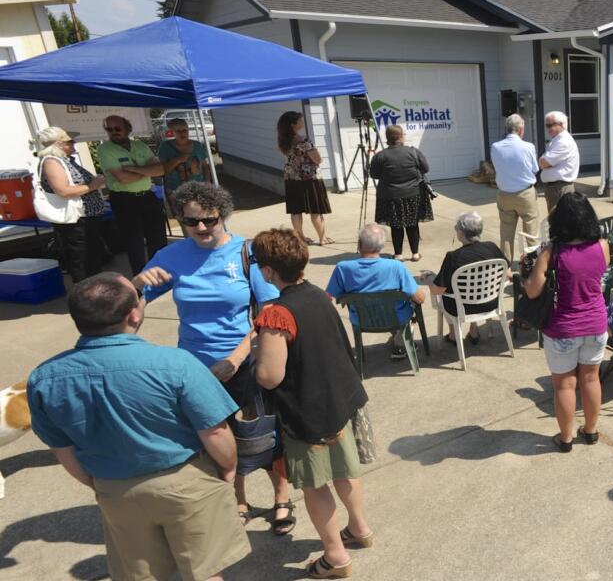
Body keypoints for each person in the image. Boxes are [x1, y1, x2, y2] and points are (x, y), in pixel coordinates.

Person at [27, 272, 251, 581]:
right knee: (206, 572)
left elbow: (63, 452)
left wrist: (101, 485)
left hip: (114, 488)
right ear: (134, 313)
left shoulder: (44, 379)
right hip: (187, 480)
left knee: (140, 575)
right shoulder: (176, 363)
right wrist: (228, 469)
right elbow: (215, 432)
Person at [132, 181, 294, 532]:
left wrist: (234, 360)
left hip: (244, 360)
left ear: (223, 215)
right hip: (193, 366)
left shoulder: (246, 253)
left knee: (261, 433)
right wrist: (136, 284)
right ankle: (237, 498)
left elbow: (268, 316)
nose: (201, 228)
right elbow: (130, 307)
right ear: (180, 222)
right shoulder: (170, 256)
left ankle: (282, 496)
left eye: (209, 219)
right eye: (191, 222)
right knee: (215, 438)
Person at [249, 229, 372, 579]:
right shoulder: (318, 294)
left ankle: (334, 556)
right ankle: (360, 529)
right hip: (340, 402)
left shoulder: (276, 315)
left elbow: (270, 376)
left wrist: (258, 358)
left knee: (315, 486)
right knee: (346, 472)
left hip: (307, 414)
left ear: (270, 271)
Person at [521, 193, 610, 453]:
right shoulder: (603, 245)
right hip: (595, 323)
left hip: (563, 328)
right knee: (591, 380)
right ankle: (591, 431)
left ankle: (566, 437)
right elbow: (599, 272)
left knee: (565, 384)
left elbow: (533, 291)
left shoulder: (552, 252)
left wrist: (527, 274)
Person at [327, 224, 428, 361]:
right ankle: (401, 337)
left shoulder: (342, 268)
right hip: (395, 317)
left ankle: (399, 338)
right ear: (381, 246)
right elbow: (420, 298)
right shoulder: (396, 267)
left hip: (361, 319)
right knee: (411, 301)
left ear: (359, 244)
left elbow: (328, 298)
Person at [33, 127, 108, 283]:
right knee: (81, 258)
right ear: (59, 144)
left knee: (91, 255)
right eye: (69, 141)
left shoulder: (64, 160)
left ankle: (93, 290)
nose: (74, 143)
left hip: (85, 216)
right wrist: (94, 184)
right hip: (75, 219)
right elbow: (64, 191)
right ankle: (85, 292)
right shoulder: (51, 162)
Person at [97, 114, 168, 274]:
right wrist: (146, 171)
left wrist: (134, 169)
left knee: (158, 237)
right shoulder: (105, 149)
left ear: (127, 128)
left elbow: (160, 170)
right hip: (124, 199)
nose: (113, 132)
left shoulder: (140, 146)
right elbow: (123, 179)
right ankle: (141, 280)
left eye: (117, 128)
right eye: (109, 129)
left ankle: (160, 273)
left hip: (147, 196)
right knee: (133, 242)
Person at [428, 212, 508, 344]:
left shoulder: (453, 257)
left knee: (447, 293)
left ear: (461, 233)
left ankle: (453, 335)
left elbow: (437, 290)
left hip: (463, 308)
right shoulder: (492, 247)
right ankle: (474, 329)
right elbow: (508, 274)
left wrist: (430, 278)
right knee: (473, 288)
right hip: (492, 302)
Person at [369, 124, 432, 262]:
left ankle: (398, 255)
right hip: (413, 194)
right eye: (403, 134)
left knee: (396, 225)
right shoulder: (413, 152)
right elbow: (425, 168)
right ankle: (415, 254)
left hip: (391, 196)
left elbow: (374, 174)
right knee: (412, 224)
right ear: (400, 136)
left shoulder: (380, 156)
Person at [276, 111, 333, 245]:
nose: (302, 122)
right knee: (315, 209)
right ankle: (322, 238)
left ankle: (300, 237)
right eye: (300, 121)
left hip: (291, 178)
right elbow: (318, 159)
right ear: (293, 124)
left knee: (296, 210)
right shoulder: (303, 141)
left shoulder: (284, 140)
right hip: (309, 179)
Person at [490, 113, 541, 259]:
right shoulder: (528, 146)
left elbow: (497, 166)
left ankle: (506, 267)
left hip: (504, 194)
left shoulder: (496, 147)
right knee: (531, 232)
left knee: (506, 233)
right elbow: (535, 169)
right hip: (525, 194)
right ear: (520, 130)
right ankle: (533, 264)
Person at [158, 117, 215, 236]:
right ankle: (190, 245)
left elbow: (205, 166)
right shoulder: (165, 147)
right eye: (178, 131)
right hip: (176, 190)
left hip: (198, 189)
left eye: (184, 130)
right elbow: (163, 170)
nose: (182, 133)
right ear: (172, 132)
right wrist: (178, 159)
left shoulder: (197, 145)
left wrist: (208, 183)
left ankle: (203, 243)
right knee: (185, 221)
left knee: (202, 217)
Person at [540, 111, 580, 214]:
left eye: (550, 125)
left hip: (559, 189)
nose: (548, 129)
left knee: (560, 222)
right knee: (559, 222)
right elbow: (545, 162)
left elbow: (543, 163)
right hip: (556, 188)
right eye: (546, 125)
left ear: (561, 124)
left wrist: (543, 160)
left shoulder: (563, 141)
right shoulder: (558, 140)